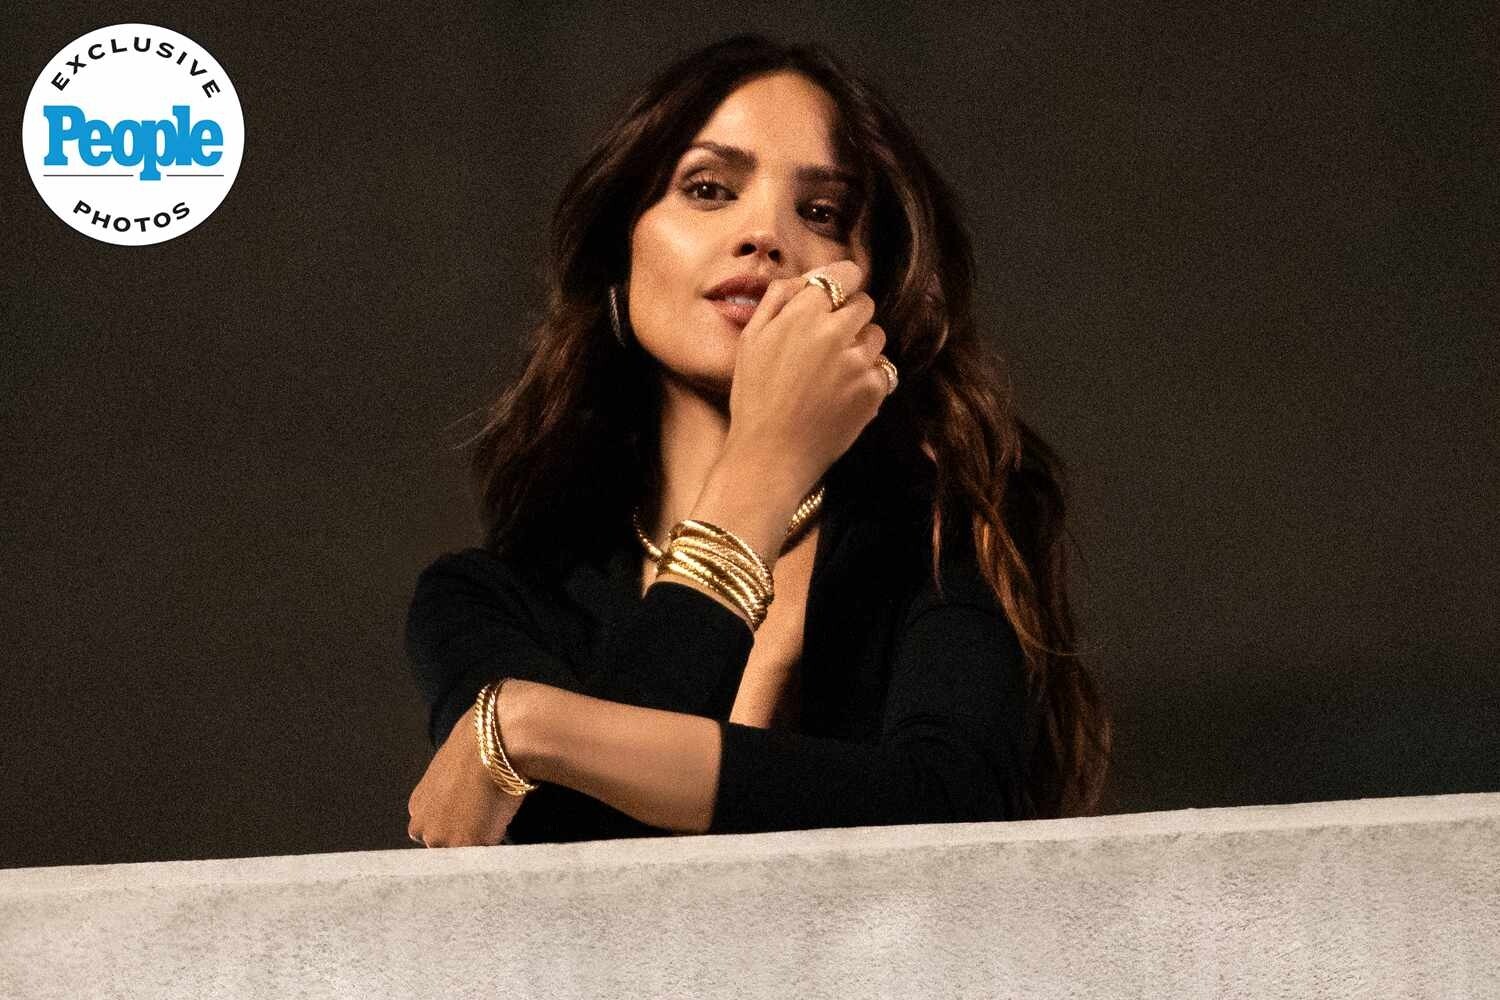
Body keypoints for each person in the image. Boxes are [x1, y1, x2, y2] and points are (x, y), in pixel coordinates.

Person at [404, 33, 1113, 848]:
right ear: (618, 256)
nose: (765, 234)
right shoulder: (487, 600)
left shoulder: (947, 527)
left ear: (875, 292)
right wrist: (760, 470)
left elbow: (949, 813)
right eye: (708, 189)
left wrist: (532, 726)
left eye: (822, 212)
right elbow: (577, 850)